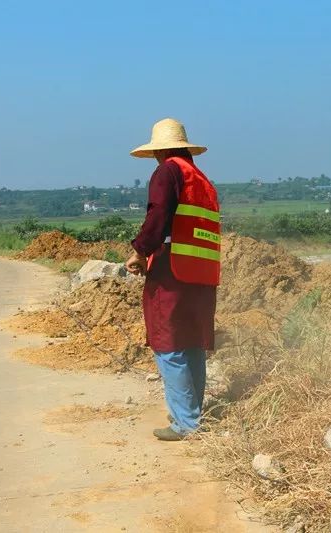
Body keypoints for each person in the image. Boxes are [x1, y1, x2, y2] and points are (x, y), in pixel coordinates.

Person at [126, 118, 220, 441]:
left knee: (168, 344)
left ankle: (187, 423)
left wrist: (139, 251)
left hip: (173, 270)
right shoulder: (202, 179)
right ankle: (194, 413)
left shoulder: (167, 172)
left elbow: (158, 216)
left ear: (162, 150)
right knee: (192, 342)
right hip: (202, 274)